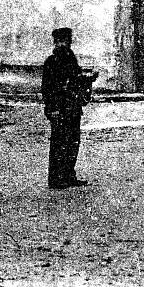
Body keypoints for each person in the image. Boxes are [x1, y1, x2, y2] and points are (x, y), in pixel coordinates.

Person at [41, 26, 92, 190]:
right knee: (59, 143)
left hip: (73, 107)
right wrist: (52, 109)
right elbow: (47, 88)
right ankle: (56, 179)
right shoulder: (51, 62)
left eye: (66, 41)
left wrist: (88, 79)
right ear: (55, 42)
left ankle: (69, 175)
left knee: (73, 142)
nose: (63, 44)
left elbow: (76, 80)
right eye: (60, 41)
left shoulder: (71, 59)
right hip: (59, 108)